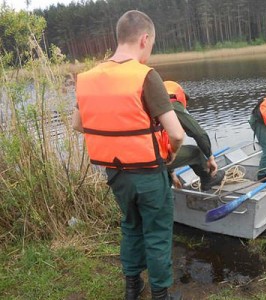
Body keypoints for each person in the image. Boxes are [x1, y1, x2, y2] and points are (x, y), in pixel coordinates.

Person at [72, 10, 184, 300]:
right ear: (144, 39)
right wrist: (171, 154)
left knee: (131, 225)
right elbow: (177, 133)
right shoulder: (145, 76)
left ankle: (132, 287)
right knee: (157, 232)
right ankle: (161, 295)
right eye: (152, 44)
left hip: (115, 174)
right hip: (148, 173)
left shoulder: (87, 78)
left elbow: (77, 125)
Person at [163, 80, 225, 191]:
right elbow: (198, 133)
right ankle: (208, 180)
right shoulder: (172, 103)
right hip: (154, 159)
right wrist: (210, 157)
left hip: (138, 159)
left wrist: (172, 174)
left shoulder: (153, 104)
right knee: (195, 153)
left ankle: (167, 184)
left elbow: (163, 142)